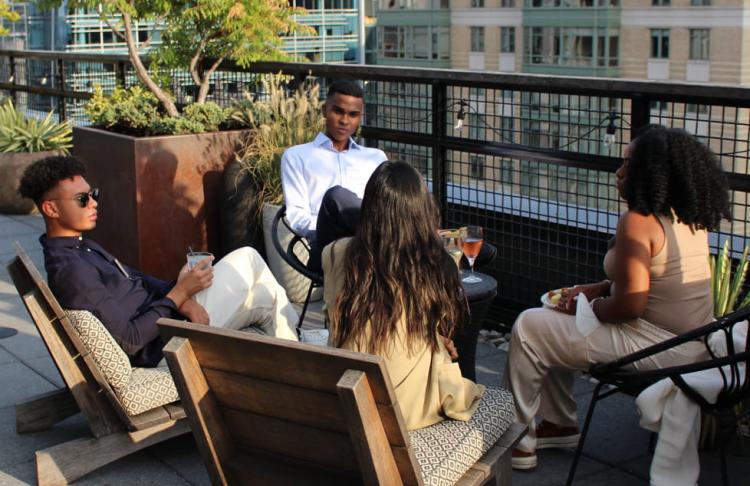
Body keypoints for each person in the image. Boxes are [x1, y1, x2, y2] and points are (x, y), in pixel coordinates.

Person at [504, 126, 731, 470]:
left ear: (650, 173)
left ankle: (519, 441)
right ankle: (558, 425)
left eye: (628, 164)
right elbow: (649, 283)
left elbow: (631, 305)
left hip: (658, 346)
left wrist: (587, 306)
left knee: (529, 325)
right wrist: (594, 291)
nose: (619, 172)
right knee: (550, 323)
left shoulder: (638, 222)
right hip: (694, 343)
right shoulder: (688, 216)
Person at [20, 155, 298, 368]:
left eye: (93, 195)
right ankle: (302, 366)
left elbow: (139, 280)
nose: (93, 203)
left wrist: (184, 296)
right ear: (51, 208)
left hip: (171, 316)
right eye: (82, 199)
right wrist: (179, 295)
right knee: (248, 259)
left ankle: (295, 363)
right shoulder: (73, 271)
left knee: (266, 295)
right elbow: (129, 340)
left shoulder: (83, 248)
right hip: (163, 345)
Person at [322, 161, 485, 430]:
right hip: (407, 411)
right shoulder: (437, 262)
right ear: (421, 210)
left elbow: (339, 322)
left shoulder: (335, 253)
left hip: (349, 404)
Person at [281, 80, 387, 272]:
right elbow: (297, 215)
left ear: (360, 117)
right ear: (324, 110)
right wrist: (327, 223)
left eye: (353, 115)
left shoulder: (376, 157)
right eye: (338, 111)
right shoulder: (297, 156)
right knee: (336, 196)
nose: (345, 121)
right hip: (327, 248)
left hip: (370, 245)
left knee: (409, 181)